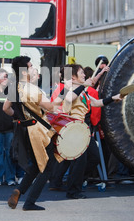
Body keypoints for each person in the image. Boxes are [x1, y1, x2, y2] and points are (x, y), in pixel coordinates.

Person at [50, 64, 122, 199]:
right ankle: (73, 190)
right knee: (79, 161)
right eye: (81, 73)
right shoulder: (69, 89)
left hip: (83, 130)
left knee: (94, 157)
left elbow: (96, 103)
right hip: (74, 130)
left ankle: (74, 182)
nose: (84, 75)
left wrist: (113, 98)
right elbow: (69, 98)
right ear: (73, 76)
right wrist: (85, 85)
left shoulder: (83, 91)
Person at [3, 56, 59, 211]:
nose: (33, 68)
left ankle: (19, 191)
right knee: (47, 167)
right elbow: (51, 108)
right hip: (37, 131)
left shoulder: (14, 87)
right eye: (31, 65)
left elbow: (5, 109)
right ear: (24, 70)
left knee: (36, 165)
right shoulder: (31, 89)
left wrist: (19, 116)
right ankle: (30, 202)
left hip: (24, 130)